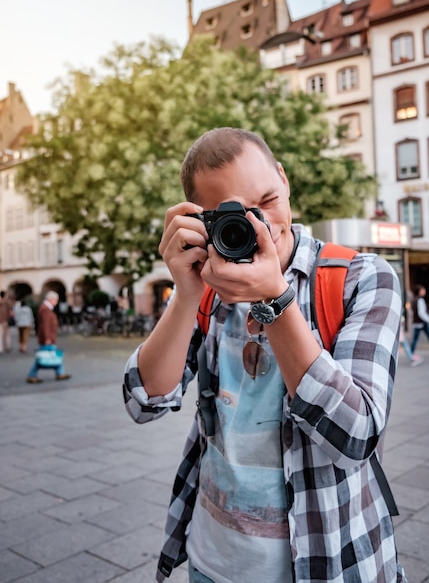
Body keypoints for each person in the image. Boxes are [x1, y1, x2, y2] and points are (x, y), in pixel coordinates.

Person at [122, 128, 406, 582]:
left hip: (329, 563)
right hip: (213, 562)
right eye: (234, 216)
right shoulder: (208, 294)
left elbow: (354, 437)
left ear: (284, 178)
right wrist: (185, 294)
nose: (260, 225)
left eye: (268, 200)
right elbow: (143, 401)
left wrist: (276, 301)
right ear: (201, 220)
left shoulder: (360, 279)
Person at [26, 290, 71, 383]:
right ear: (51, 299)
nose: (57, 302)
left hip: (48, 337)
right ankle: (32, 375)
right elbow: (45, 325)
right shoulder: (45, 309)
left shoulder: (45, 308)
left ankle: (60, 372)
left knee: (49, 355)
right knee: (47, 356)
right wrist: (47, 338)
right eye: (56, 300)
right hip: (48, 338)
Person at [410, 284, 429, 354]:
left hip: (417, 323)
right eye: (423, 290)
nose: (424, 291)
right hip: (422, 322)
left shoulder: (414, 299)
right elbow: (421, 313)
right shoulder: (420, 300)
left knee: (414, 340)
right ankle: (411, 354)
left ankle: (411, 354)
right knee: (415, 340)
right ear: (419, 291)